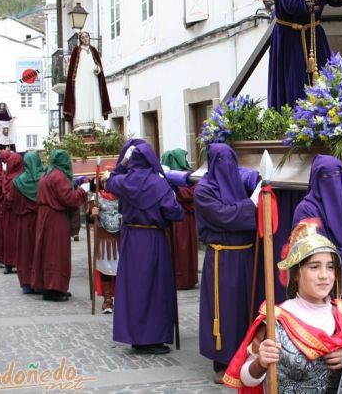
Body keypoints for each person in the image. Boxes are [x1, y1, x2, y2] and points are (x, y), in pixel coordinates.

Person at [223, 219, 342, 392]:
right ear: (295, 274)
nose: (324, 275)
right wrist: (261, 362)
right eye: (314, 267)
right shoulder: (275, 319)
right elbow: (246, 378)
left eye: (330, 267)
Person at [105, 139, 183, 355]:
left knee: (134, 289)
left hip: (130, 238)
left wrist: (122, 163)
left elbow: (109, 181)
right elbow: (174, 212)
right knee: (155, 288)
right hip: (152, 237)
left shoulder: (124, 180)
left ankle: (136, 336)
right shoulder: (158, 184)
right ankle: (152, 338)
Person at [194, 143, 261, 383]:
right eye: (221, 162)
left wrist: (260, 180)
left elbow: (251, 175)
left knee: (245, 308)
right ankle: (222, 361)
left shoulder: (238, 182)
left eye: (230, 161)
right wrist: (250, 205)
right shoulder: (203, 190)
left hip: (245, 256)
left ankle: (246, 357)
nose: (227, 167)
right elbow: (223, 216)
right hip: (221, 258)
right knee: (224, 310)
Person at [292, 154, 342, 319]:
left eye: (337, 175)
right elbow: (315, 252)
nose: (332, 182)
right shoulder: (306, 210)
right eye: (325, 177)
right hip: (325, 289)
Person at [30, 150, 87, 301]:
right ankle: (53, 289)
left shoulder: (47, 173)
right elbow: (69, 199)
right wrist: (82, 191)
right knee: (56, 253)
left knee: (47, 252)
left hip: (46, 217)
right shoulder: (59, 176)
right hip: (55, 218)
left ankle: (52, 286)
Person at [161, 148, 199, 290]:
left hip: (185, 218)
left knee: (184, 248)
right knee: (174, 248)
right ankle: (174, 278)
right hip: (172, 218)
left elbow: (192, 194)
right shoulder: (165, 175)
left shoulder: (190, 176)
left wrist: (176, 190)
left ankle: (185, 279)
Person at [63, 31, 111, 133]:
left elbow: (99, 66)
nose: (85, 39)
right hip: (81, 81)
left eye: (87, 37)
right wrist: (74, 81)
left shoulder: (93, 51)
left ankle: (95, 124)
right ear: (81, 39)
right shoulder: (77, 51)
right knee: (81, 100)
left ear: (89, 38)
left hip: (93, 81)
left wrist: (97, 69)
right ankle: (82, 125)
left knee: (94, 100)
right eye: (83, 37)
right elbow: (72, 69)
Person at [9, 151, 43, 294]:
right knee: (40, 251)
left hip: (24, 221)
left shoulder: (17, 182)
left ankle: (26, 283)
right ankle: (40, 282)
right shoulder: (44, 180)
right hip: (41, 221)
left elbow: (11, 201)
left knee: (25, 252)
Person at [89, 170, 121, 314]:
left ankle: (122, 299)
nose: (107, 184)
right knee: (106, 269)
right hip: (104, 239)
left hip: (120, 238)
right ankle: (108, 300)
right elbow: (89, 219)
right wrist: (92, 214)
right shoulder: (97, 197)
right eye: (105, 181)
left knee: (121, 270)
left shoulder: (123, 196)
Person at [1, 153, 24, 275]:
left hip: (8, 212)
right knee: (17, 238)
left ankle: (8, 263)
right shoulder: (20, 178)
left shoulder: (6, 176)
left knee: (9, 237)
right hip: (17, 212)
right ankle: (17, 262)